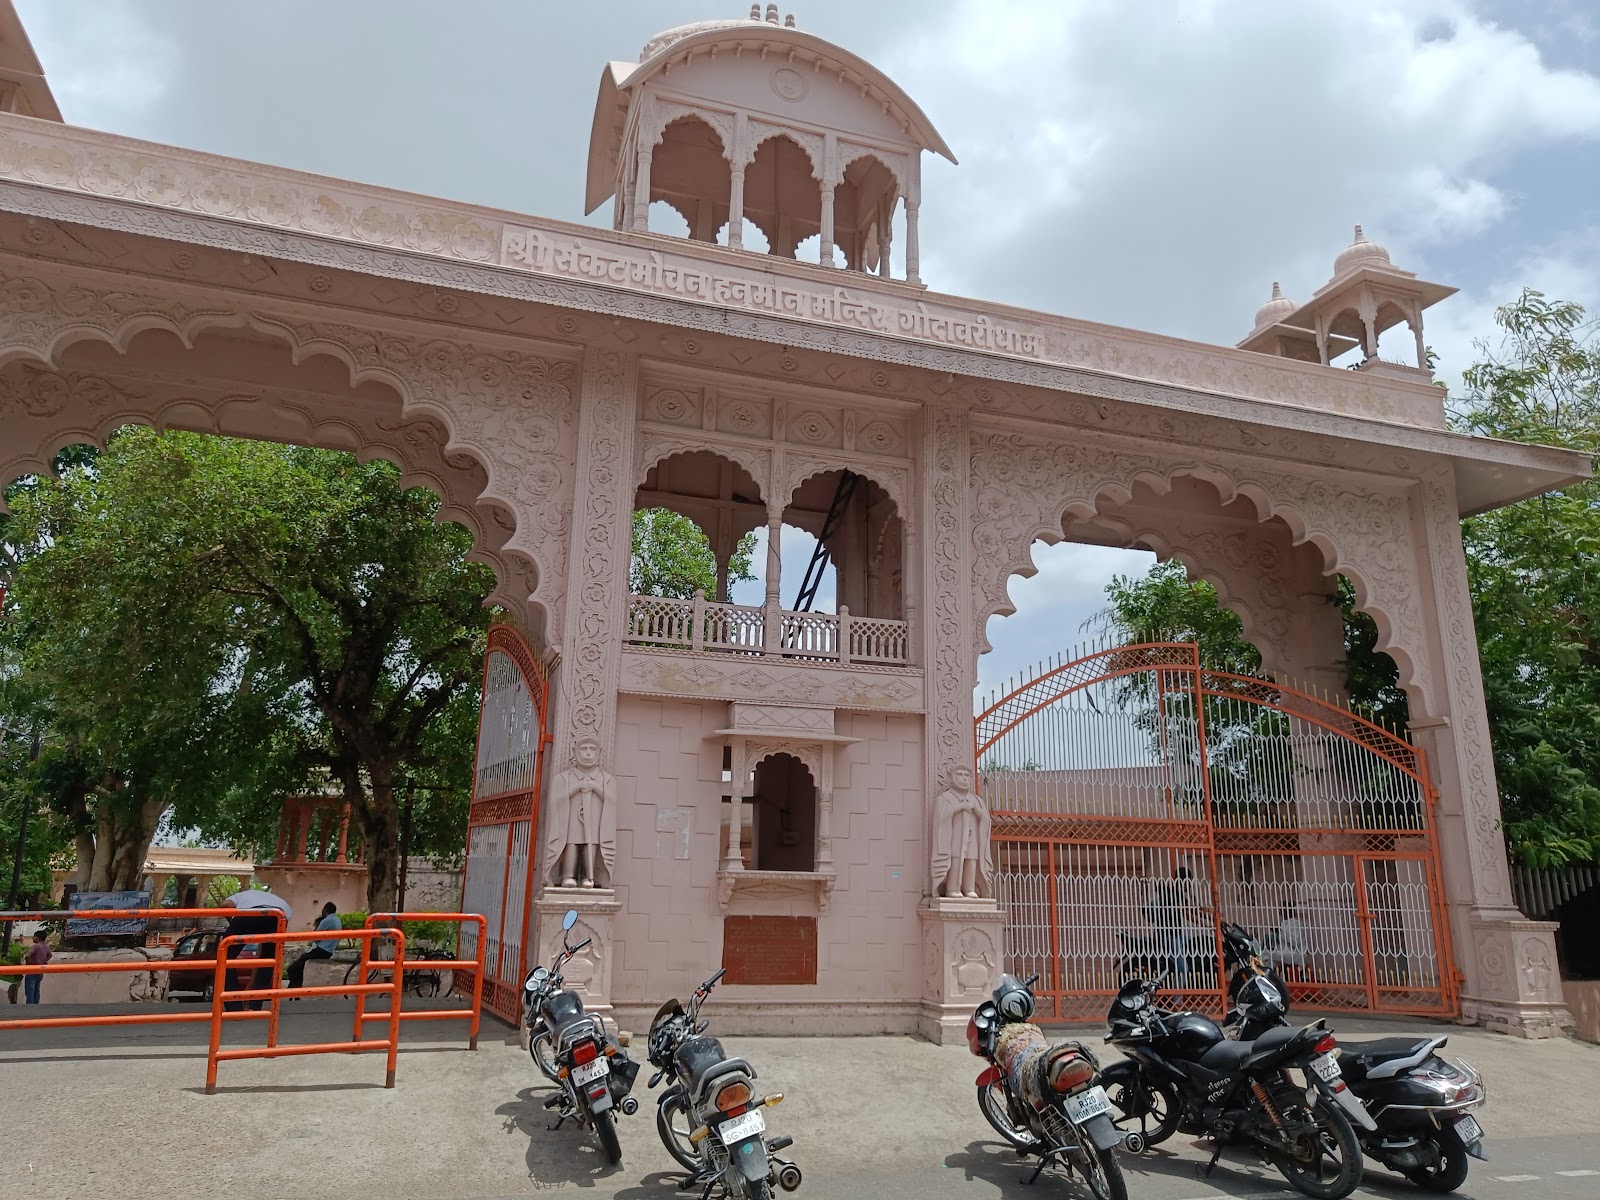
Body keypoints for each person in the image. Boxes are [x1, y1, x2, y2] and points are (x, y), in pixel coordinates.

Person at [285, 902, 342, 989]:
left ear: (325, 910)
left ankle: (294, 988)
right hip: (328, 951)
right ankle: (295, 989)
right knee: (300, 965)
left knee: (292, 969)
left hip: (321, 950)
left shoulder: (326, 920)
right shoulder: (337, 920)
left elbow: (315, 937)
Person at [23, 929, 51, 1004]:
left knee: (30, 991)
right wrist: (43, 961)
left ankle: (29, 1008)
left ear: (37, 937)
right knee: (36, 990)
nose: (32, 938)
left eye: (34, 936)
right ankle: (36, 1006)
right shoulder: (46, 946)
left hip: (32, 971)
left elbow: (28, 955)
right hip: (40, 971)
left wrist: (28, 964)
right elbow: (50, 955)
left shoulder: (35, 946)